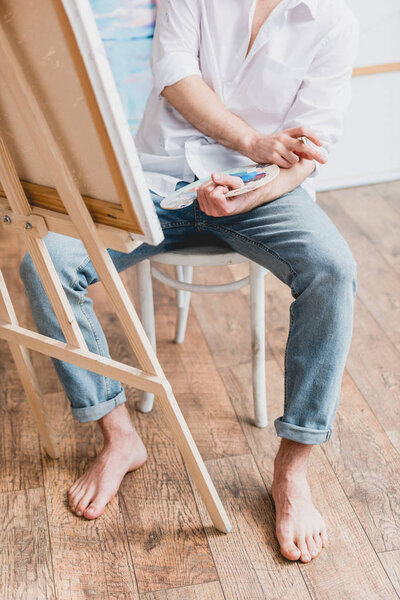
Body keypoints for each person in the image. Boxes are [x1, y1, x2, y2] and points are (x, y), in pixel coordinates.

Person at [19, 0, 360, 563]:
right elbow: (175, 76)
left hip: (264, 191)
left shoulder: (334, 22)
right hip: (159, 174)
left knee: (334, 270)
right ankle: (117, 434)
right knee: (46, 263)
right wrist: (253, 142)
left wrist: (249, 187)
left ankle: (294, 467)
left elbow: (308, 153)